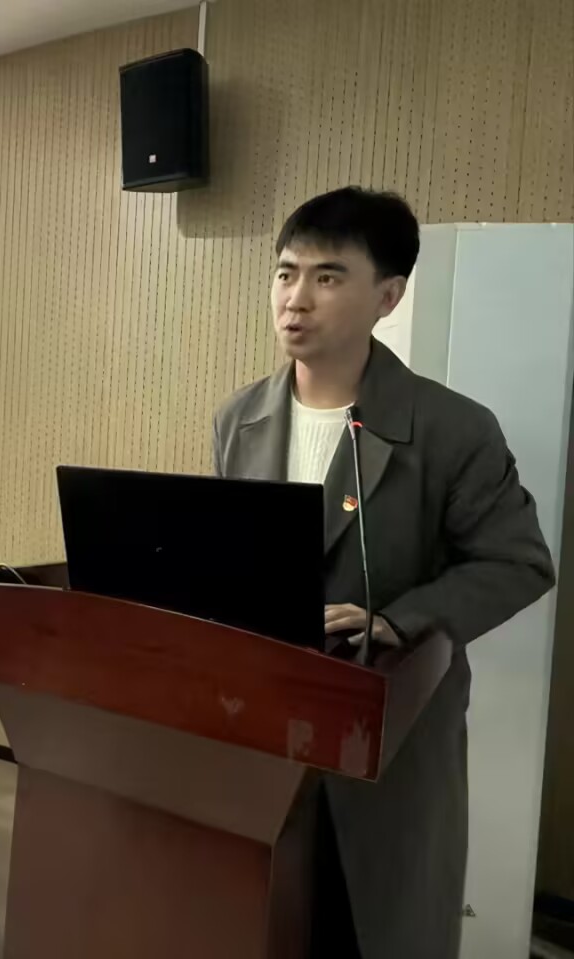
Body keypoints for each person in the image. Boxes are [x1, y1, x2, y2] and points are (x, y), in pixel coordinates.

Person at [212, 186, 555, 959]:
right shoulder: (240, 419)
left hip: (390, 743)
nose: (296, 298)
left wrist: (400, 619)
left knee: (377, 926)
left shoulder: (452, 428)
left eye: (328, 276)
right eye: (285, 272)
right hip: (263, 733)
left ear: (388, 296)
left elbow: (518, 560)